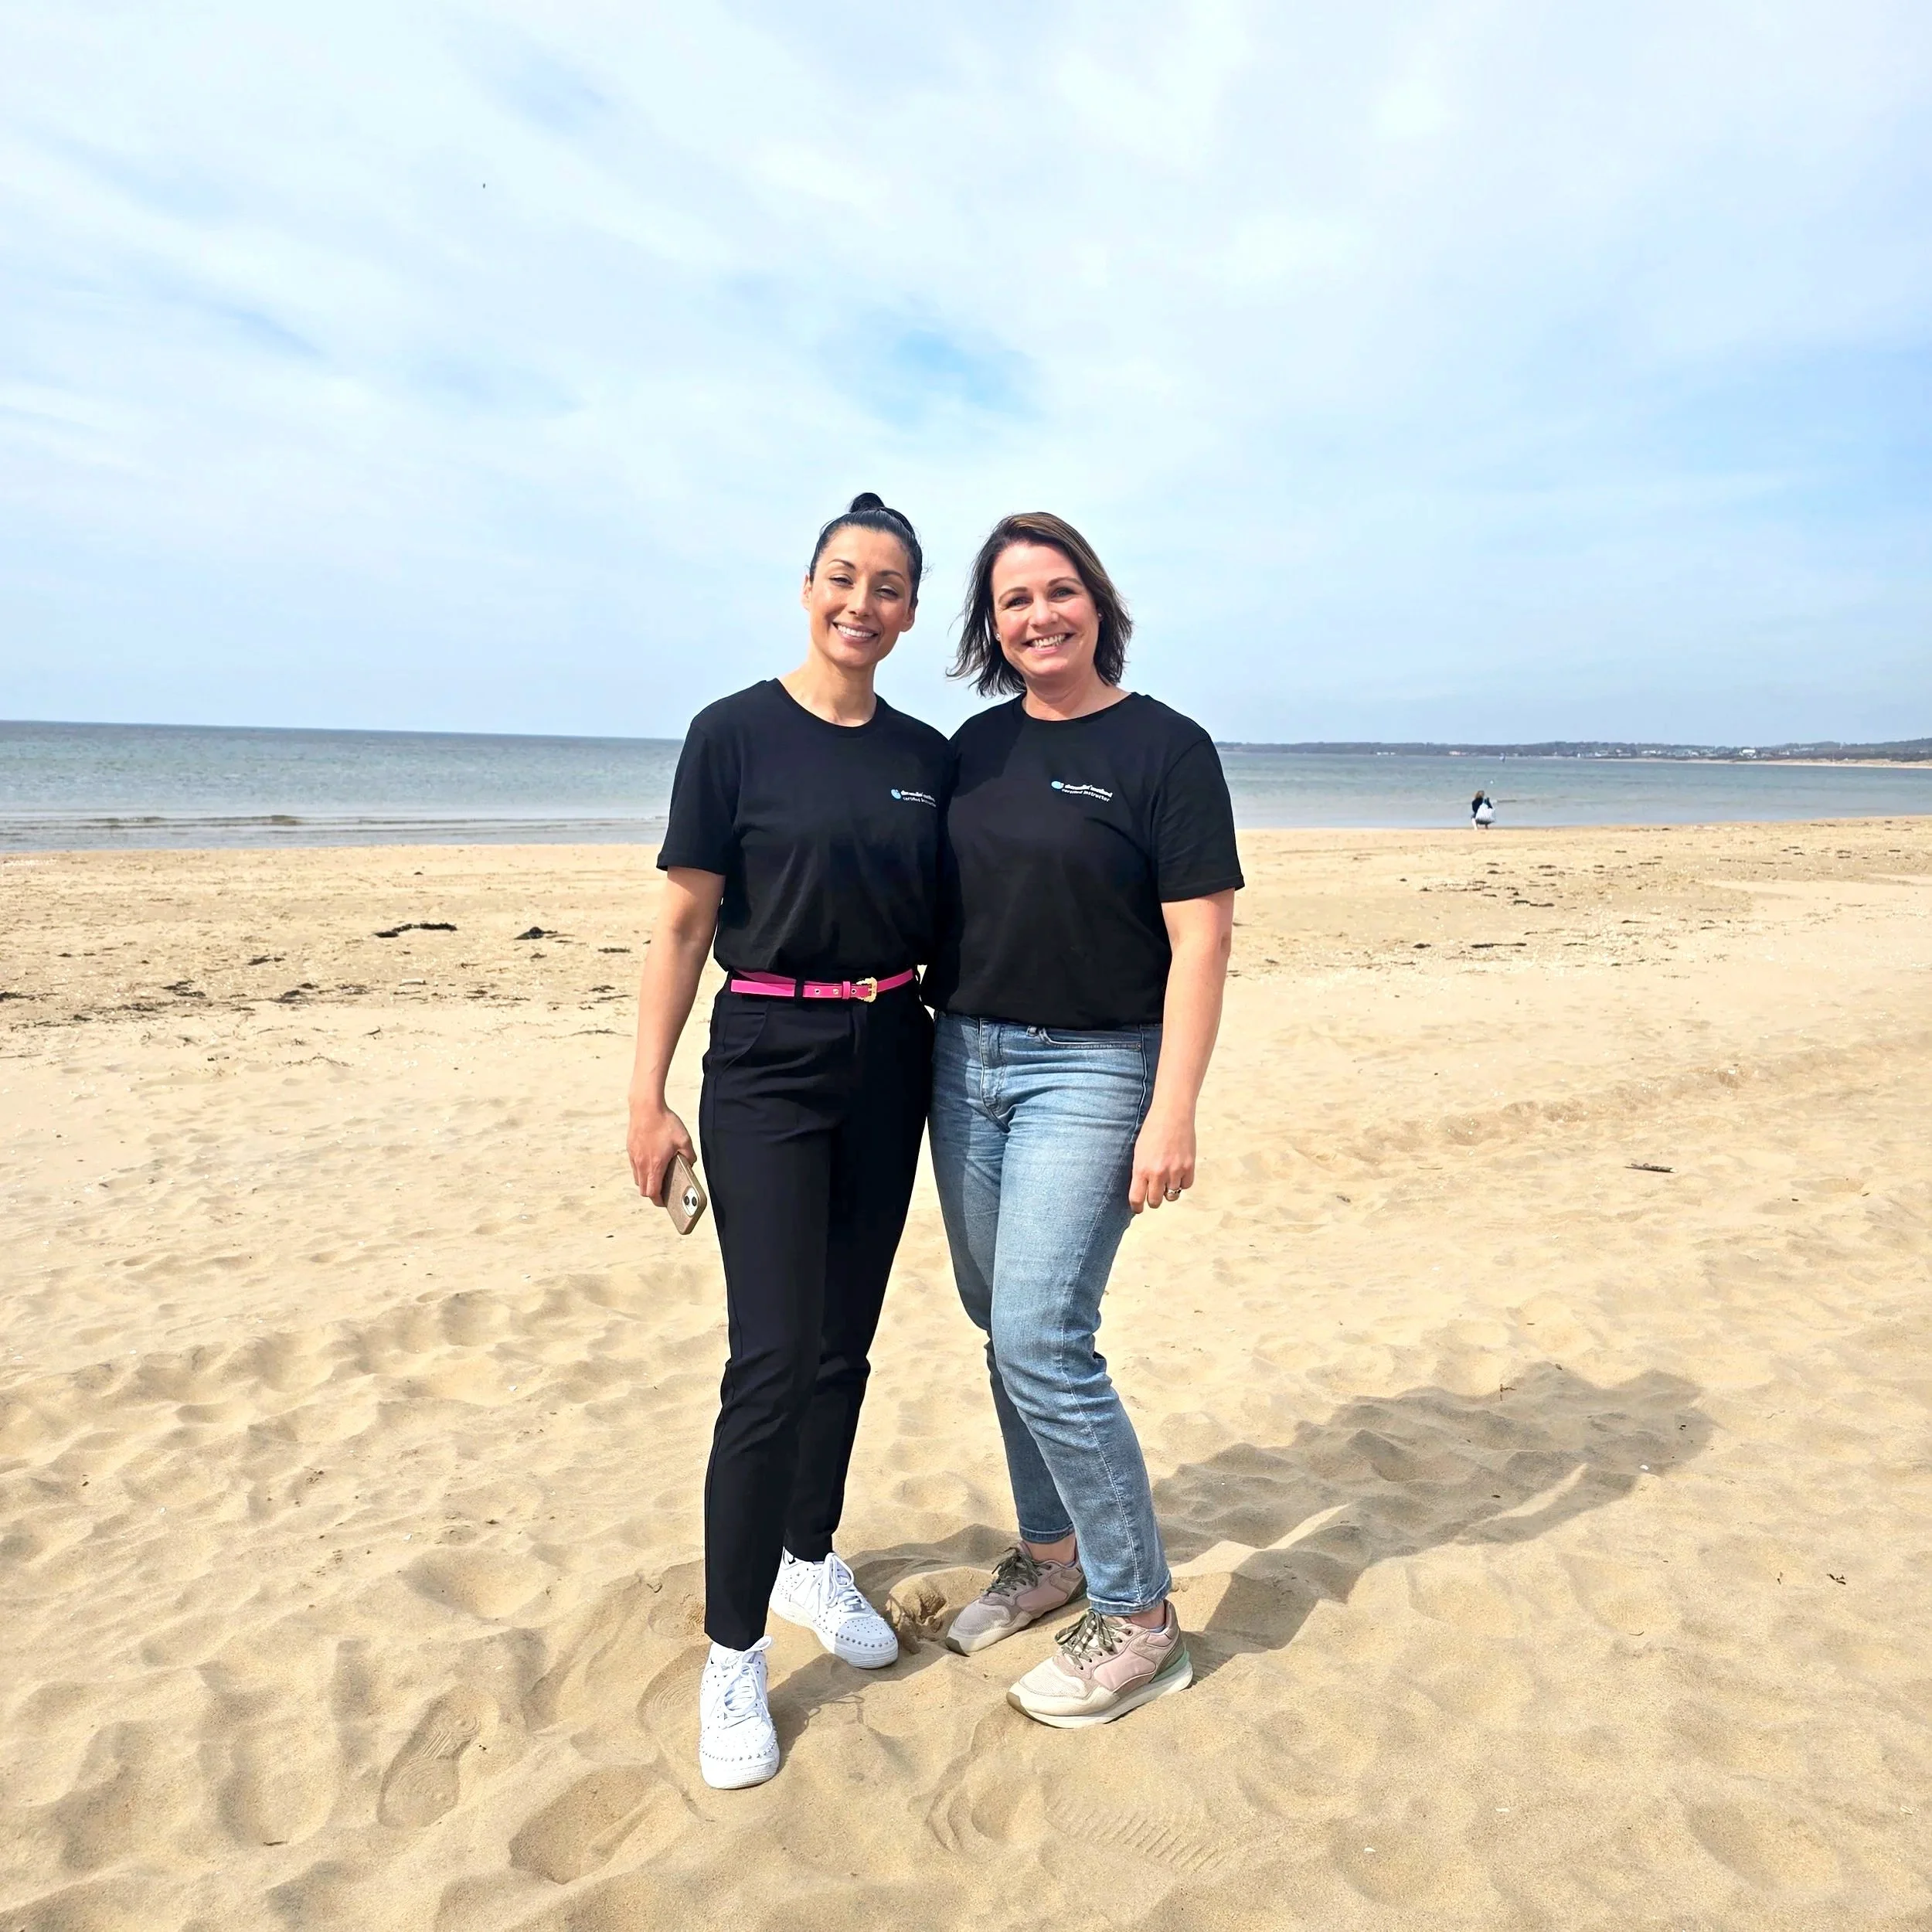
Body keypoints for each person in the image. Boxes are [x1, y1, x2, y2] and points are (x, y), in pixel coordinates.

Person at [625, 492, 949, 1790]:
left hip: (894, 1057)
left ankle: (813, 1558)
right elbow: (684, 923)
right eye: (840, 577)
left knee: (844, 1345)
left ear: (914, 612)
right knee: (769, 1356)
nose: (860, 604)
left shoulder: (932, 754)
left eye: (886, 587)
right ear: (806, 587)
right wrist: (646, 1097)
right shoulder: (733, 734)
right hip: (764, 1061)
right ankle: (735, 1651)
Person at [924, 512, 1242, 1727]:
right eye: (1014, 602)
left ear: (1098, 604)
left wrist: (1175, 1108)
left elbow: (1201, 939)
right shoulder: (975, 748)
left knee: (1046, 1340)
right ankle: (1051, 1555)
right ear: (990, 628)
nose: (1040, 616)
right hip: (963, 1059)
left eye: (1059, 592)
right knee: (997, 1322)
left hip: (1098, 1071)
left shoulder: (1167, 748)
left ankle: (1141, 1615)